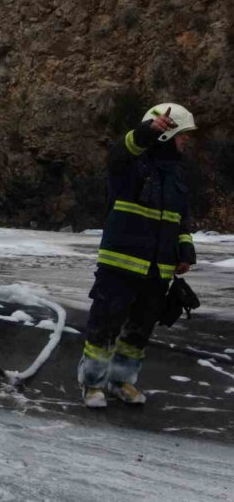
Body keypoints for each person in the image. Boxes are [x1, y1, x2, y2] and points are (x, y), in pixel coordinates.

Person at [78, 103, 197, 408]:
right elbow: (119, 152)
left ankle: (121, 382)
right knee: (105, 325)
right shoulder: (130, 167)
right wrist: (145, 132)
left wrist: (184, 249)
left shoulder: (177, 176)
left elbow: (179, 219)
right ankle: (92, 384)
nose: (186, 141)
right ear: (165, 134)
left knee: (139, 331)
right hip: (120, 265)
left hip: (158, 270)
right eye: (183, 134)